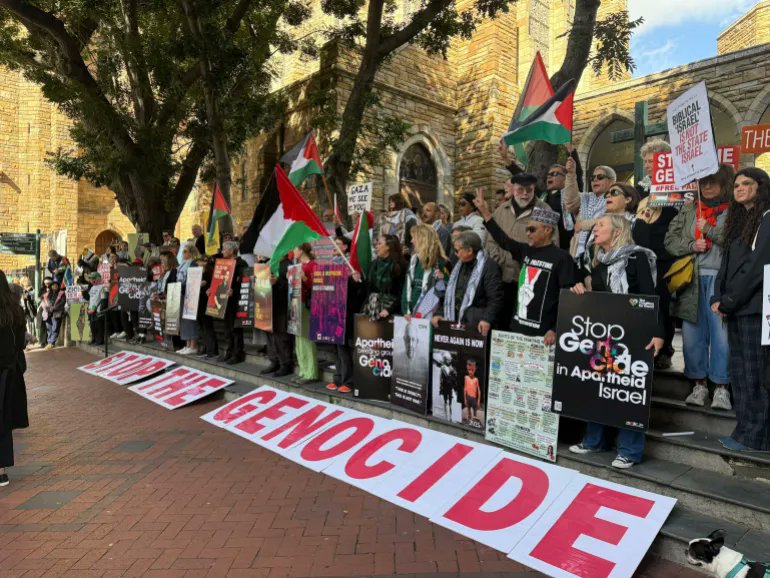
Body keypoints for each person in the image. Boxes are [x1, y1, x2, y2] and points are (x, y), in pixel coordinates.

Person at [568, 215, 664, 469]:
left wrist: (659, 332)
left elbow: (651, 295)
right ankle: (594, 441)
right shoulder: (599, 263)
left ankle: (630, 451)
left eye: (601, 225)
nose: (595, 229)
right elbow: (603, 299)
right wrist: (583, 294)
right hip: (606, 335)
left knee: (628, 391)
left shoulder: (637, 257)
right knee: (598, 385)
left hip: (635, 335)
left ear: (618, 230)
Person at [710, 167, 770, 452]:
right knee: (741, 373)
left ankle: (756, 436)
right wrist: (717, 296)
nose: (739, 188)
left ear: (761, 187)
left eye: (747, 183)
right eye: (736, 184)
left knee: (756, 373)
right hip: (736, 309)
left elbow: (757, 268)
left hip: (755, 310)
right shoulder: (738, 220)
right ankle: (744, 430)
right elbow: (726, 264)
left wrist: (730, 301)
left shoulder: (767, 219)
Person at [665, 164, 733, 410]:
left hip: (722, 280)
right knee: (693, 336)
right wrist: (692, 244)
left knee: (722, 336)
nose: (707, 186)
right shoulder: (689, 209)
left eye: (713, 181)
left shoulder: (735, 210)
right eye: (703, 181)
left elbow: (738, 242)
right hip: (691, 279)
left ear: (725, 183)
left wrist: (710, 231)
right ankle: (699, 385)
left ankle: (722, 388)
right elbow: (670, 240)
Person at [475, 191, 574, 343]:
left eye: (532, 229)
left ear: (547, 230)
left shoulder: (562, 258)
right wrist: (485, 212)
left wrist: (555, 329)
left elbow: (567, 296)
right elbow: (503, 240)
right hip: (518, 328)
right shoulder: (525, 250)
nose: (527, 233)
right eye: (527, 229)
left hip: (544, 334)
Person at [484, 172, 559, 327]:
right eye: (520, 190)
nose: (525, 194)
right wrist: (503, 261)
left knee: (524, 324)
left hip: (529, 281)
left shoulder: (544, 209)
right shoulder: (501, 210)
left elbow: (552, 245)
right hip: (502, 278)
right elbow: (490, 241)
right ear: (513, 188)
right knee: (500, 322)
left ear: (534, 189)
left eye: (529, 190)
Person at [636, 139, 679, 370]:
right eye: (645, 161)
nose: (647, 166)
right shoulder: (641, 188)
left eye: (651, 161)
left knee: (662, 302)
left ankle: (665, 349)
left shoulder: (679, 185)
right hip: (641, 251)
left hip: (663, 253)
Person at [432, 231, 503, 337]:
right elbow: (451, 295)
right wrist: (440, 314)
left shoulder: (490, 267)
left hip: (476, 324)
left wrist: (486, 319)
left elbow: (495, 299)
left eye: (457, 250)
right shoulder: (459, 264)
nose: (454, 253)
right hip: (456, 321)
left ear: (469, 250)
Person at [576, 183, 651, 277]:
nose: (608, 195)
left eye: (614, 192)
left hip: (628, 280)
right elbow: (588, 255)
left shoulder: (639, 225)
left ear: (628, 199)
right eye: (606, 193)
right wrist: (587, 276)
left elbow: (642, 257)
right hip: (597, 282)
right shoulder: (596, 225)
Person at [0, 272, 29, 487]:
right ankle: (1, 471)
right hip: (8, 371)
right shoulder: (15, 310)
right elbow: (21, 343)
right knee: (3, 419)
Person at [326, 237, 362, 393]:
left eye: (338, 244)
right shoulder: (331, 264)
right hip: (331, 309)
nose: (334, 245)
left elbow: (357, 289)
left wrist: (354, 279)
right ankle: (338, 377)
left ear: (346, 247)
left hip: (345, 310)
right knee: (334, 347)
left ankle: (348, 380)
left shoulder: (351, 265)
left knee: (343, 347)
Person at [563, 160, 615, 262]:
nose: (595, 180)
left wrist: (582, 225)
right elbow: (570, 201)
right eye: (592, 178)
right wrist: (571, 174)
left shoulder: (615, 199)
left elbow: (611, 220)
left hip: (601, 252)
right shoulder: (585, 197)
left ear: (611, 181)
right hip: (577, 253)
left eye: (600, 177)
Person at [402, 224, 450, 318]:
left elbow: (446, 291)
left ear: (423, 239)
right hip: (410, 315)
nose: (412, 241)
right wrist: (405, 310)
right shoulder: (414, 260)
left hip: (430, 315)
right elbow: (407, 287)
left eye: (414, 238)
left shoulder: (441, 262)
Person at [260, 255, 294, 377]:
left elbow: (292, 285)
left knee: (281, 337)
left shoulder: (289, 265)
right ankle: (274, 361)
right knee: (270, 336)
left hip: (282, 306)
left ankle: (286, 364)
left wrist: (277, 282)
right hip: (268, 305)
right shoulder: (268, 264)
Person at [361, 235, 407, 320]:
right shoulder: (373, 264)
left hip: (391, 311)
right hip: (371, 309)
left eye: (379, 243)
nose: (376, 246)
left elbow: (403, 292)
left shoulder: (401, 266)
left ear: (388, 247)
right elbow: (367, 288)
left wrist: (390, 310)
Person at [217, 241, 249, 365]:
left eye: (224, 249)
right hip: (225, 301)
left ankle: (238, 353)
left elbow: (245, 281)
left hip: (236, 300)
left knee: (236, 329)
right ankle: (229, 352)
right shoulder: (223, 264)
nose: (222, 251)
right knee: (227, 329)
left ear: (231, 251)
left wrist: (234, 290)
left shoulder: (241, 263)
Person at [294, 243, 319, 383]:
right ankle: (303, 370)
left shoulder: (312, 265)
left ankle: (311, 372)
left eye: (295, 248)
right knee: (299, 338)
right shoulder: (296, 266)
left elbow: (318, 285)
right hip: (296, 303)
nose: (293, 251)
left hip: (306, 304)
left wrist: (304, 278)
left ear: (302, 250)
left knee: (307, 338)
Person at [177, 243, 201, 355]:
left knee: (190, 320)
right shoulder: (182, 264)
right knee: (184, 320)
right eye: (183, 251)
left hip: (190, 294)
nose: (183, 254)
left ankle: (193, 345)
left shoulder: (194, 263)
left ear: (191, 252)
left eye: (185, 251)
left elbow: (194, 278)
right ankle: (187, 344)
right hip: (182, 293)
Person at [40, 280, 65, 350]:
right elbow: (43, 302)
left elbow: (62, 303)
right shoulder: (47, 294)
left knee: (55, 328)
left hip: (57, 313)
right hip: (48, 313)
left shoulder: (62, 293)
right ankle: (49, 342)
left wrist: (54, 308)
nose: (54, 287)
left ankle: (52, 343)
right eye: (53, 285)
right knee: (49, 328)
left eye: (56, 286)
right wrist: (47, 308)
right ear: (51, 286)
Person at [464, 359, 481, 424]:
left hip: (474, 398)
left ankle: (474, 423)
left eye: (472, 370)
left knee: (475, 412)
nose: (470, 372)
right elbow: (465, 389)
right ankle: (469, 421)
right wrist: (465, 399)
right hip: (468, 397)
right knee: (468, 411)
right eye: (469, 370)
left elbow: (479, 390)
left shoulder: (476, 379)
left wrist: (478, 400)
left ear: (475, 370)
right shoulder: (466, 378)